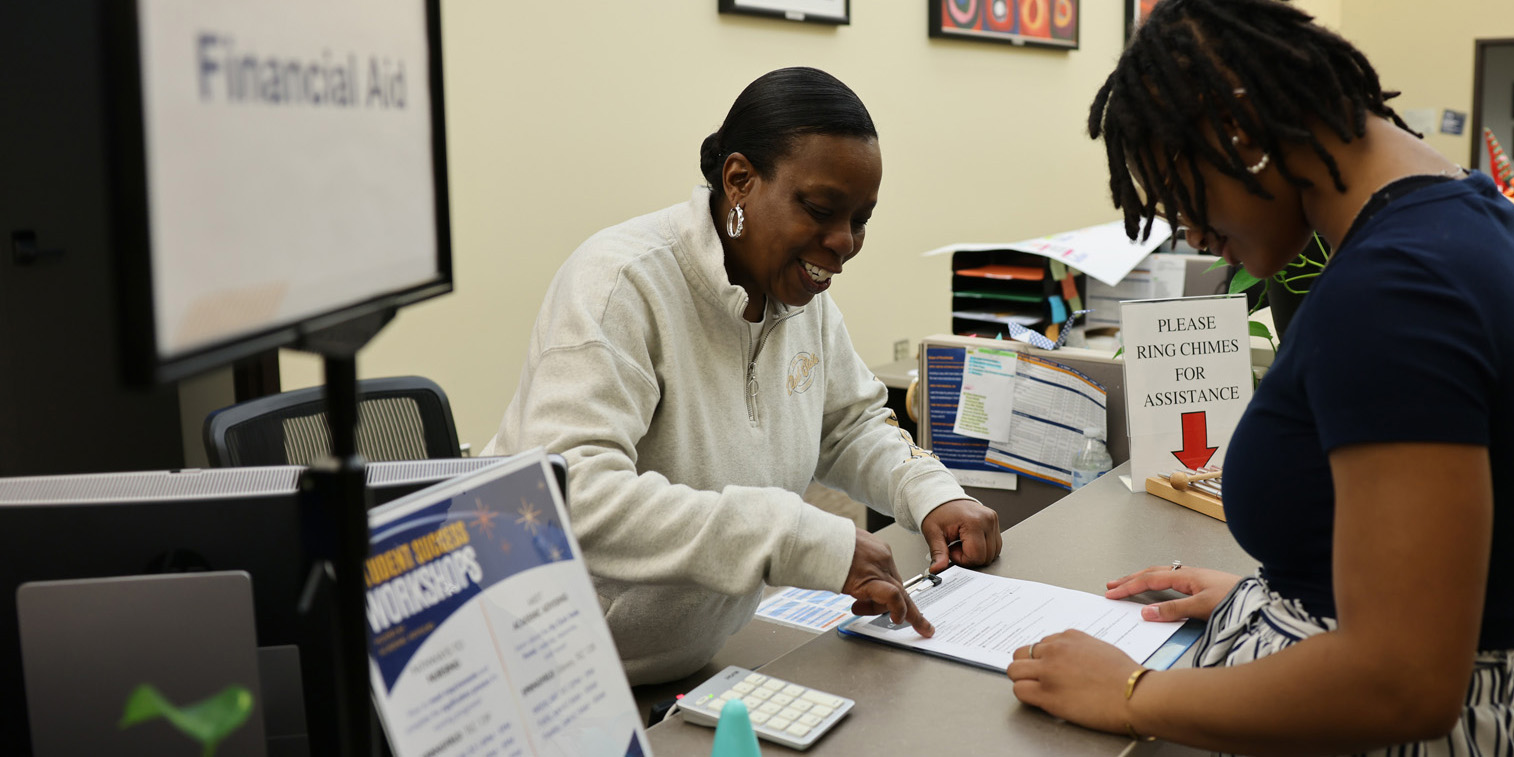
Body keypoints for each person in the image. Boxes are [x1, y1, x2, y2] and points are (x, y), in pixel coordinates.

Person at [1006, 1, 1514, 754]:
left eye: (1179, 193)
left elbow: (1402, 681)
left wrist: (1128, 693)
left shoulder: (1393, 291)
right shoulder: (1464, 216)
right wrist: (1274, 597)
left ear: (1238, 134)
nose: (1194, 233)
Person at [483, 67, 1002, 686]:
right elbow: (569, 498)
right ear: (739, 181)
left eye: (861, 218)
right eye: (819, 209)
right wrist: (796, 537)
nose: (843, 243)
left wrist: (932, 493)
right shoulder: (622, 285)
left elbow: (846, 424)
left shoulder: (798, 297)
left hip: (682, 665)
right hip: (543, 672)